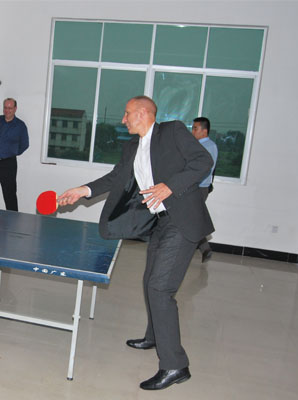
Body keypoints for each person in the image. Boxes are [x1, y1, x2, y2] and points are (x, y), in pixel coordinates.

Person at [58, 96, 213, 390]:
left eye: (127, 113)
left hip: (181, 221)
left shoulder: (172, 131)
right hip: (159, 222)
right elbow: (116, 178)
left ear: (142, 113)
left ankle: (175, 365)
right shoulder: (132, 146)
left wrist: (170, 186)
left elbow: (203, 161)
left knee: (160, 287)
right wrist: (83, 190)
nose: (123, 119)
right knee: (149, 281)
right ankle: (155, 336)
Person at [0, 98, 29, 211]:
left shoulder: (20, 126)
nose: (7, 110)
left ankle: (13, 220)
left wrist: (12, 151)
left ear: (15, 109)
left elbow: (24, 144)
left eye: (10, 108)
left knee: (10, 194)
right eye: (5, 107)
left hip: (8, 164)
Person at [191, 117, 218, 263]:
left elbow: (202, 169)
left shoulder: (209, 146)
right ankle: (204, 248)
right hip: (195, 187)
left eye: (195, 128)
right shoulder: (199, 145)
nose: (193, 131)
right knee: (192, 218)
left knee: (192, 219)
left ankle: (204, 248)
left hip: (199, 188)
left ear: (204, 131)